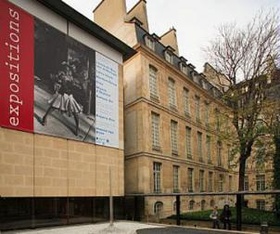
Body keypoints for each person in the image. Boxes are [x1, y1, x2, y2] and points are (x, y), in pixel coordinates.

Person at [41, 61, 82, 136]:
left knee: (75, 112)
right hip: (62, 94)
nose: (69, 70)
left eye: (70, 69)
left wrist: (75, 85)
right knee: (53, 107)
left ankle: (77, 128)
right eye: (67, 68)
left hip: (69, 96)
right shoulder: (62, 75)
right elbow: (59, 80)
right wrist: (61, 79)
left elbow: (76, 81)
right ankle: (45, 117)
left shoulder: (72, 76)